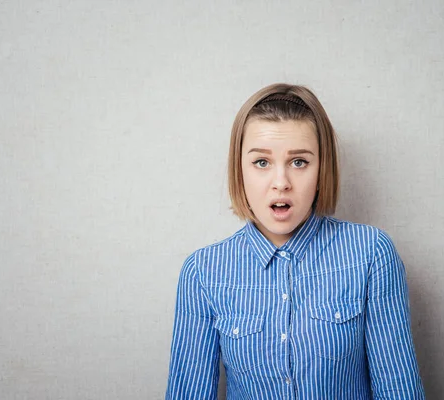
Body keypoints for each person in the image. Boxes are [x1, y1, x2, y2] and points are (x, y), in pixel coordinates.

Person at [165, 83, 425, 399]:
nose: (281, 183)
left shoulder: (371, 254)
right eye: (261, 162)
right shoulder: (203, 272)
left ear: (321, 169)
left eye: (299, 162)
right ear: (240, 170)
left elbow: (398, 389)